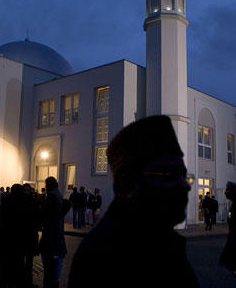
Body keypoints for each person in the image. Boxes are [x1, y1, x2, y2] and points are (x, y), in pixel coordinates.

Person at [68, 115, 197, 288]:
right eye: (169, 175)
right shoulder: (100, 257)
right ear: (128, 184)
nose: (185, 186)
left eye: (184, 176)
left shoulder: (164, 243)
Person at [40, 176, 69, 288]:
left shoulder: (51, 199)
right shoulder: (59, 198)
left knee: (48, 274)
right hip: (58, 243)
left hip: (50, 244)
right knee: (55, 275)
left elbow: (43, 219)